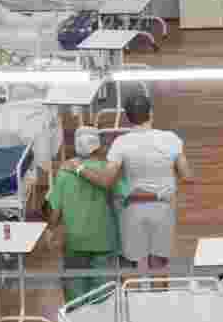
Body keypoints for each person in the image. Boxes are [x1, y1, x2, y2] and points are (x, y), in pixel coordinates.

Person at [61, 93, 192, 275]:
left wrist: (78, 167)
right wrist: (166, 182)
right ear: (151, 113)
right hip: (163, 209)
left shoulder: (121, 143)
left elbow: (106, 180)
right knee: (159, 266)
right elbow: (186, 175)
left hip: (133, 210)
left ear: (128, 117)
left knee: (133, 267)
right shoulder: (171, 139)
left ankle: (135, 302)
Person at [46, 126, 129, 303]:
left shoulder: (64, 172)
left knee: (75, 297)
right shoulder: (108, 170)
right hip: (104, 241)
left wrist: (51, 230)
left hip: (74, 242)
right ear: (98, 146)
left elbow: (54, 212)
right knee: (104, 295)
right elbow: (125, 197)